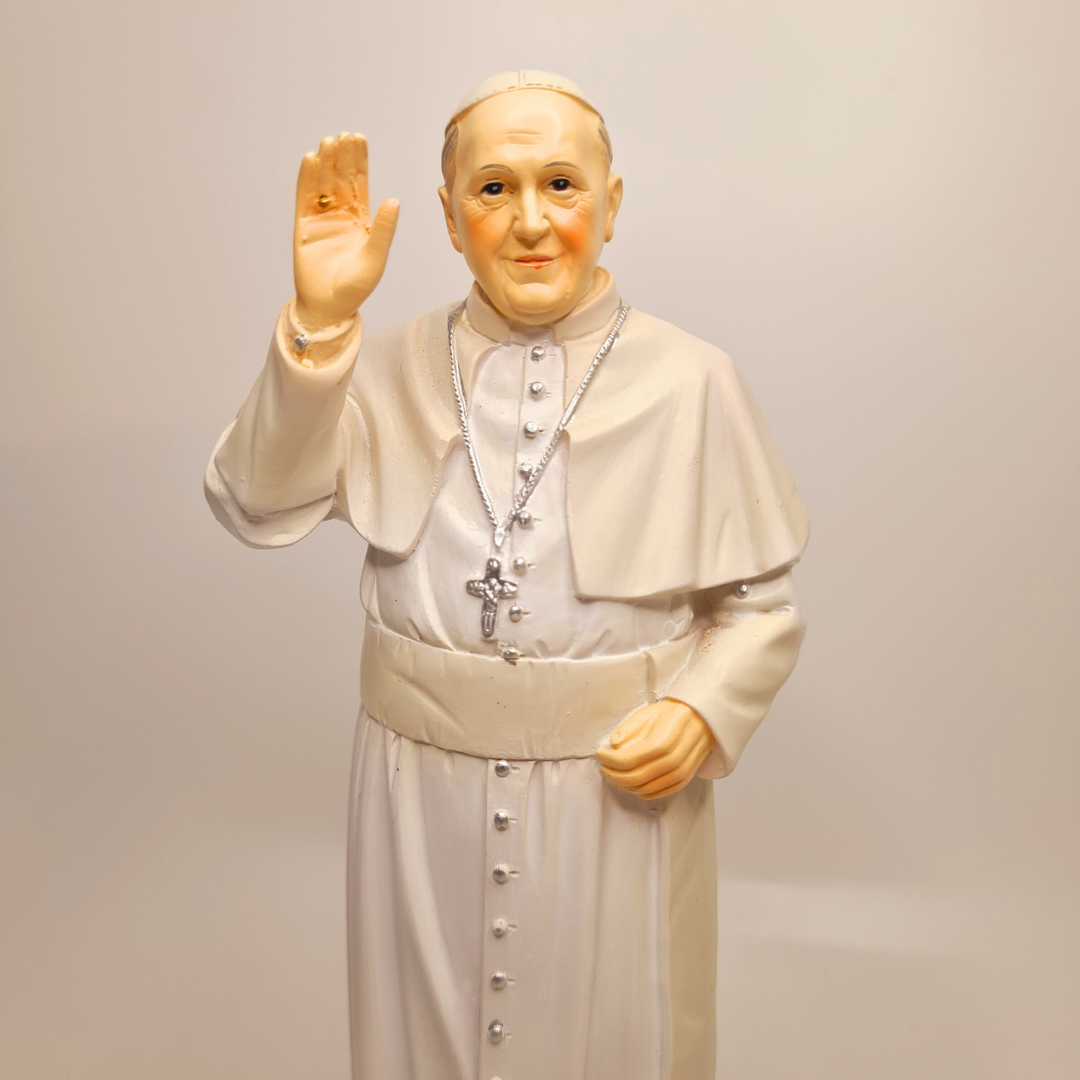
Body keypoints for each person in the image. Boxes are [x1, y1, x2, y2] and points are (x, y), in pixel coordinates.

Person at [206, 70, 809, 1080]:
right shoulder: (381, 363)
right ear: (450, 218)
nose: (531, 221)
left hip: (615, 799)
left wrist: (702, 711)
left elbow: (760, 611)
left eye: (562, 185)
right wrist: (316, 327)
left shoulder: (693, 380)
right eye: (494, 189)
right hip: (417, 799)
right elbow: (254, 504)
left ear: (611, 205)